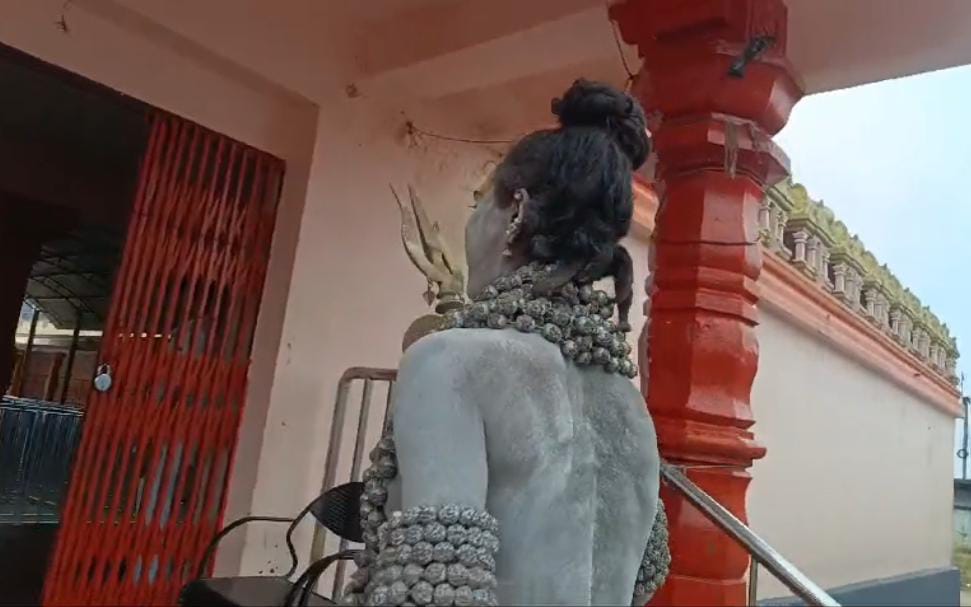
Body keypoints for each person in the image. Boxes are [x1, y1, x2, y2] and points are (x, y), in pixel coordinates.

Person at [343, 80, 668, 606]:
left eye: (478, 203)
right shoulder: (628, 404)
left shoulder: (451, 362)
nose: (470, 223)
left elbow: (434, 595)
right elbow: (641, 577)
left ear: (515, 212)